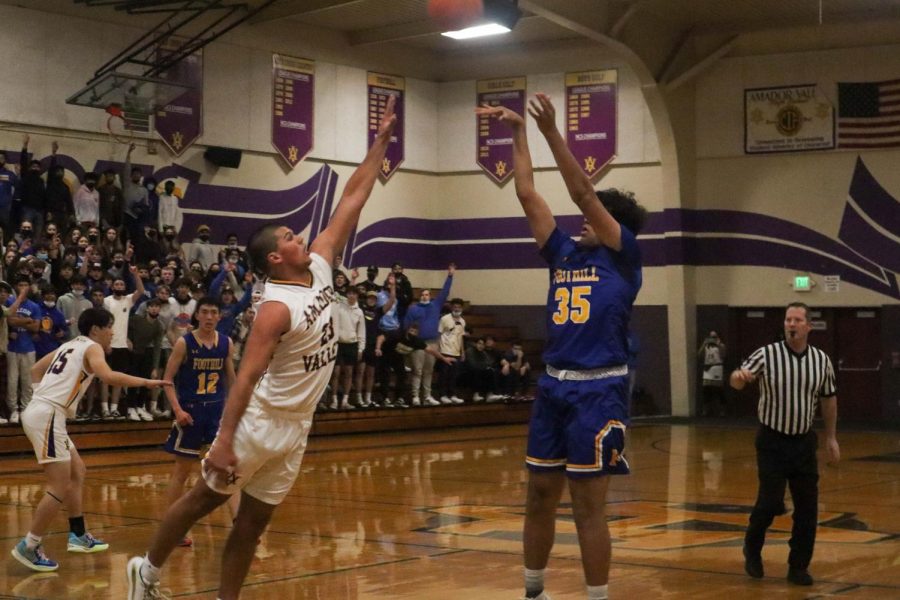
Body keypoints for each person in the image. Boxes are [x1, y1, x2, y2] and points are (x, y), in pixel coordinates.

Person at [126, 93, 398, 600]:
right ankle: (146, 573)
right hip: (262, 418)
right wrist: (225, 441)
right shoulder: (274, 308)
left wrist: (379, 145)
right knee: (204, 499)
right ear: (275, 258)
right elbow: (246, 376)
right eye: (292, 236)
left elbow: (352, 200)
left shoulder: (318, 263)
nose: (303, 237)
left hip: (297, 425)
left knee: (252, 526)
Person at [477, 94, 646, 600]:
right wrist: (517, 134)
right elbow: (528, 193)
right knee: (538, 496)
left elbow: (582, 192)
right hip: (553, 387)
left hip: (599, 391)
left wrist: (553, 130)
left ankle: (597, 597)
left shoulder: (625, 257)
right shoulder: (564, 254)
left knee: (587, 506)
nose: (583, 221)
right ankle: (534, 592)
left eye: (595, 217)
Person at [10, 307, 169, 572]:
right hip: (48, 414)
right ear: (96, 329)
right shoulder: (92, 347)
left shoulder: (70, 345)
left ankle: (78, 534)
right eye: (110, 327)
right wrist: (145, 383)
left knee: (77, 471)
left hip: (47, 413)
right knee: (58, 485)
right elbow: (107, 376)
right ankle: (29, 545)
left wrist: (43, 397)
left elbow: (36, 370)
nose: (112, 333)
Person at [730, 302, 840, 587]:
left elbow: (829, 399)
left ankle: (798, 566)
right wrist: (739, 378)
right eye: (788, 319)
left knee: (807, 508)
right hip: (772, 440)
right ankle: (752, 549)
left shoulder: (821, 360)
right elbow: (737, 379)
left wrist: (831, 437)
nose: (791, 324)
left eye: (797, 320)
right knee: (770, 502)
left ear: (808, 326)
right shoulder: (767, 354)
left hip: (803, 443)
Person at [161, 297, 237, 546]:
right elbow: (167, 379)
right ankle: (174, 527)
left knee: (226, 469)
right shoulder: (185, 343)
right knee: (181, 473)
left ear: (219, 317)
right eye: (204, 312)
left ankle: (238, 524)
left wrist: (234, 412)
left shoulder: (226, 343)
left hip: (216, 414)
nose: (208, 316)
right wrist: (177, 410)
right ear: (197, 316)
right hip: (191, 413)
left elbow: (232, 381)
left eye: (213, 312)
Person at [404, 263, 455, 406]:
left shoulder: (436, 305)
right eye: (422, 294)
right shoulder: (413, 309)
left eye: (427, 294)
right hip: (418, 344)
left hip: (433, 342)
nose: (425, 296)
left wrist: (450, 276)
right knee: (417, 370)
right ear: (419, 296)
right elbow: (406, 326)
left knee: (429, 371)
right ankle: (415, 396)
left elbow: (445, 292)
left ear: (430, 296)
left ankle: (427, 396)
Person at [698, 330, 727, 417]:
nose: (712, 339)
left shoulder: (721, 345)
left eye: (714, 337)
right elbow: (699, 355)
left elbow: (723, 355)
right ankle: (705, 410)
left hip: (717, 368)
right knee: (706, 390)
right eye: (711, 337)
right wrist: (704, 344)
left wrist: (718, 344)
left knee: (719, 390)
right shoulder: (706, 346)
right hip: (707, 368)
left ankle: (722, 410)